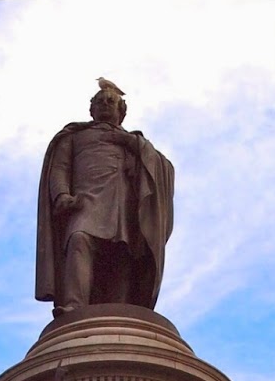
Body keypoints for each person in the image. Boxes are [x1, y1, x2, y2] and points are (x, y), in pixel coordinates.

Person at [35, 78, 174, 317]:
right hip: (85, 203)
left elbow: (163, 168)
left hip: (122, 207)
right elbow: (59, 168)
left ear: (122, 111)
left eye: (111, 102)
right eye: (100, 102)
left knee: (122, 255)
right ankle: (74, 305)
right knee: (79, 239)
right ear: (92, 109)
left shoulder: (134, 142)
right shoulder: (74, 136)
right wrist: (61, 195)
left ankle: (120, 311)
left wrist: (131, 142)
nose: (105, 105)